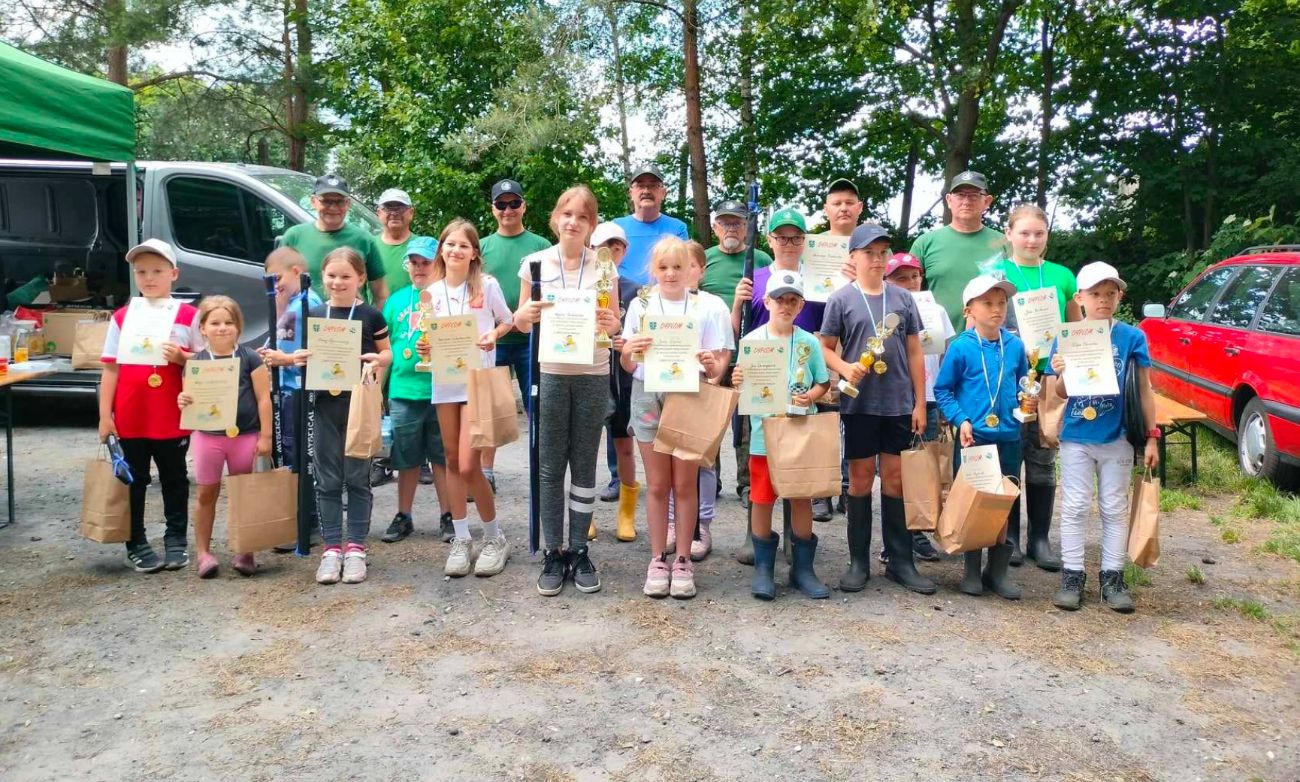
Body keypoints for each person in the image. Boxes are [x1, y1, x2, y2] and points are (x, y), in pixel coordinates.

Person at [514, 186, 622, 596]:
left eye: (583, 216)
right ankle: (553, 552)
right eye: (567, 214)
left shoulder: (605, 267)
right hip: (552, 373)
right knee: (549, 465)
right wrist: (524, 315)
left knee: (584, 464)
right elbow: (521, 321)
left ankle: (578, 549)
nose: (574, 221)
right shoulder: (535, 264)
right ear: (555, 219)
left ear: (592, 224)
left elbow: (614, 324)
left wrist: (611, 323)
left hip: (593, 372)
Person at [819, 223, 935, 595]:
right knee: (861, 479)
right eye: (869, 253)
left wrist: (920, 402)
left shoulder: (902, 298)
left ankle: (900, 561)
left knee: (897, 479)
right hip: (860, 404)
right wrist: (843, 368)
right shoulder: (841, 299)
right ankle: (858, 562)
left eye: (882, 252)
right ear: (853, 257)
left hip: (898, 403)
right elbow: (824, 347)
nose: (877, 259)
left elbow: (916, 351)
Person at [1047, 262, 1159, 613]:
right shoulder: (1067, 335)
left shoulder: (1131, 337)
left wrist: (1152, 436)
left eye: (1111, 293)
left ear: (1119, 296)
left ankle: (1112, 577)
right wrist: (1063, 372)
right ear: (1079, 297)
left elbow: (1144, 389)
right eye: (1095, 294)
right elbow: (1061, 392)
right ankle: (1072, 575)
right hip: (1077, 434)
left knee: (1114, 507)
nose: (1103, 300)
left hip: (1119, 435)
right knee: (1076, 505)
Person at [621, 237, 728, 598]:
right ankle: (657, 559)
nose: (670, 273)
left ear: (691, 271)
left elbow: (713, 364)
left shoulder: (704, 308)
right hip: (648, 393)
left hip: (688, 395)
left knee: (685, 484)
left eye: (677, 267)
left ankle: (683, 559)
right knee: (657, 484)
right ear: (653, 270)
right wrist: (630, 351)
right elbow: (626, 363)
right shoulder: (640, 305)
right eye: (663, 267)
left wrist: (711, 365)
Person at [419, 220, 515, 577]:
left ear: (474, 252)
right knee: (448, 459)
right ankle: (462, 538)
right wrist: (424, 345)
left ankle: (494, 536)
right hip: (444, 381)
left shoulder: (486, 286)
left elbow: (507, 322)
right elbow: (426, 337)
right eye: (450, 244)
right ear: (441, 250)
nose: (455, 250)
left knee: (468, 464)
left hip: (476, 381)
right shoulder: (431, 292)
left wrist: (493, 335)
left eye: (463, 245)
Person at [98, 239, 201, 573]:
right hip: (130, 415)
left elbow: (206, 363)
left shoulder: (189, 316)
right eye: (141, 271)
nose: (149, 278)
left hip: (172, 413)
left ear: (174, 273)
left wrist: (182, 357)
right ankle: (136, 541)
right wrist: (105, 416)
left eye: (157, 271)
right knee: (134, 479)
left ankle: (176, 540)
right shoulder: (123, 316)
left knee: (174, 477)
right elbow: (110, 367)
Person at [291, 248, 392, 585]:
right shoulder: (315, 314)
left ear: (360, 279)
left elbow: (387, 353)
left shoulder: (370, 315)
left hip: (358, 406)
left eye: (346, 276)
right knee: (328, 479)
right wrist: (301, 359)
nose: (338, 282)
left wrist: (378, 361)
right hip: (323, 405)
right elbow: (304, 358)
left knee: (357, 478)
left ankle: (356, 548)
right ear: (323, 277)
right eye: (332, 275)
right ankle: (332, 548)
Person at [731, 270, 832, 599]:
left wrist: (811, 396)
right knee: (761, 499)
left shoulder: (808, 343)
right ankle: (764, 569)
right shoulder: (752, 343)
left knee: (801, 496)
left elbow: (823, 383)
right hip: (764, 436)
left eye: (792, 300)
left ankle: (803, 569)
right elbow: (743, 387)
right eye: (779, 300)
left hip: (801, 433)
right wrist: (737, 381)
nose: (785, 306)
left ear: (801, 305)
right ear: (767, 302)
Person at [933, 275, 1033, 600]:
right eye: (988, 303)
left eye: (1001, 303)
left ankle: (997, 570)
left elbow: (1022, 384)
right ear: (969, 310)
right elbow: (943, 390)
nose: (996, 309)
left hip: (1009, 436)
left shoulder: (1016, 346)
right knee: (975, 500)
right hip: (973, 439)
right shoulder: (961, 347)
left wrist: (1028, 398)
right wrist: (960, 420)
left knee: (1002, 503)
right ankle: (971, 568)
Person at [731, 207, 821, 565]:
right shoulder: (754, 279)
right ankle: (756, 540)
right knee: (758, 474)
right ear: (770, 240)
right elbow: (738, 331)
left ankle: (795, 548)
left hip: (800, 386)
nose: (788, 243)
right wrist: (737, 303)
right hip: (762, 396)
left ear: (804, 242)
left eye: (796, 237)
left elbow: (826, 331)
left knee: (796, 475)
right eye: (781, 236)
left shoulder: (818, 279)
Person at [994, 203, 1080, 570]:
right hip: (1009, 377)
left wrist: (1071, 368)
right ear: (1009, 234)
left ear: (1047, 237)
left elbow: (1076, 328)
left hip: (1048, 379)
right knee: (1010, 456)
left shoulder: (1062, 276)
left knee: (1044, 456)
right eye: (1024, 232)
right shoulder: (995, 273)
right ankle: (1009, 536)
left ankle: (1039, 538)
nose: (1031, 240)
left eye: (1039, 233)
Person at [180, 296, 272, 578]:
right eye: (215, 323)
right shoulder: (196, 362)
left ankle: (245, 550)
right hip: (209, 437)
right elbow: (190, 398)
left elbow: (263, 398)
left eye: (229, 322)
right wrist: (183, 399)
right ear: (203, 329)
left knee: (243, 493)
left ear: (238, 327)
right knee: (206, 493)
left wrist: (266, 435)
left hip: (244, 436)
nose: (222, 328)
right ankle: (203, 553)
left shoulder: (250, 357)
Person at [662, 240, 735, 561]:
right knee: (666, 459)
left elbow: (723, 350)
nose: (681, 270)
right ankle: (672, 524)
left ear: (701, 270)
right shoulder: (657, 302)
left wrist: (714, 375)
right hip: (662, 391)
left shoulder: (713, 305)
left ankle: (700, 525)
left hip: (699, 389)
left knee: (701, 463)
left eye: (688, 264)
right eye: (674, 263)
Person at [699, 198, 773, 512]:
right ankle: (708, 479)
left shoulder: (760, 259)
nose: (731, 227)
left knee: (747, 420)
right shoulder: (704, 258)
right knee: (709, 417)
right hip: (714, 351)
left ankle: (746, 482)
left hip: (750, 350)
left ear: (746, 227)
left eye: (738, 222)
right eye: (725, 222)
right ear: (715, 227)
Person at [479, 179, 552, 488]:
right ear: (493, 209)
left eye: (513, 203)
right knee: (489, 407)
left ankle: (542, 467)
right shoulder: (482, 246)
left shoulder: (541, 246)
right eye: (501, 204)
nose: (507, 210)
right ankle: (486, 472)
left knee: (539, 405)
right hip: (492, 340)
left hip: (531, 341)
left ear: (524, 206)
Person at [379, 236, 452, 545]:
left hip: (441, 389)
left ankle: (449, 514)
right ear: (407, 265)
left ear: (438, 264)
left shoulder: (447, 299)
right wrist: (377, 393)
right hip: (404, 389)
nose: (420, 268)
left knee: (442, 457)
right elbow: (385, 348)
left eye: (426, 262)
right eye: (415, 262)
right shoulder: (395, 301)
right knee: (405, 458)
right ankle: (403, 515)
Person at [885, 251, 953, 562]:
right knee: (899, 470)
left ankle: (919, 532)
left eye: (914, 276)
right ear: (889, 281)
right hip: (900, 399)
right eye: (901, 277)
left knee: (925, 467)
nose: (910, 282)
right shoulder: (888, 310)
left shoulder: (935, 310)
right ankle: (898, 537)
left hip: (930, 398)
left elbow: (946, 353)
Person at [258, 247, 323, 553]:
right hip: (284, 391)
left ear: (297, 272)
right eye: (270, 280)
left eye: (278, 277)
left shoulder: (309, 304)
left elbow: (311, 352)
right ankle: (293, 519)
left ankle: (306, 523)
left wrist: (281, 360)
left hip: (299, 391)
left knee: (301, 458)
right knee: (289, 455)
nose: (275, 285)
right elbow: (278, 339)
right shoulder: (288, 304)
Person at [814, 178, 867, 521]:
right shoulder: (813, 247)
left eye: (850, 202)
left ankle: (850, 487)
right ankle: (820, 490)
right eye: (837, 202)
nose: (844, 208)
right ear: (826, 209)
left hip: (861, 340)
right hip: (822, 335)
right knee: (822, 414)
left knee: (855, 415)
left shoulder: (873, 244)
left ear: (859, 208)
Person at [591, 221, 642, 542]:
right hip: (589, 374)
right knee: (585, 448)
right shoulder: (581, 287)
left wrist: (625, 338)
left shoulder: (636, 291)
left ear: (624, 251)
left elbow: (643, 334)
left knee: (624, 447)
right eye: (603, 248)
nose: (610, 254)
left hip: (622, 378)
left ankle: (626, 514)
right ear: (592, 251)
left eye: (617, 247)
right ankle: (585, 512)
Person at [909, 171, 1007, 328]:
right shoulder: (925, 243)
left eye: (974, 195)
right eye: (960, 195)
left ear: (987, 201)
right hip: (938, 344)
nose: (966, 201)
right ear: (949, 200)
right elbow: (903, 289)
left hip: (991, 343)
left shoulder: (1004, 243)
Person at [280, 174, 388, 304]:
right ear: (314, 201)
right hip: (305, 321)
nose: (333, 207)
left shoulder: (364, 240)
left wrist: (374, 322)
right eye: (326, 201)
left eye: (339, 201)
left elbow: (380, 295)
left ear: (348, 203)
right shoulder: (293, 237)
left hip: (352, 321)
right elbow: (280, 288)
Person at [613, 164, 690, 286]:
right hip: (622, 297)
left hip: (664, 297)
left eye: (653, 185)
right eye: (640, 185)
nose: (646, 191)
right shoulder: (616, 227)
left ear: (663, 193)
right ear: (631, 193)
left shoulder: (678, 228)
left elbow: (685, 268)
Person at [374, 188, 418, 300]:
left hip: (415, 315)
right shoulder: (369, 246)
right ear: (379, 213)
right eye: (388, 208)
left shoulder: (424, 247)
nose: (394, 213)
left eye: (401, 208)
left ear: (411, 212)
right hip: (377, 316)